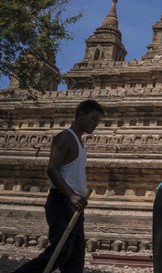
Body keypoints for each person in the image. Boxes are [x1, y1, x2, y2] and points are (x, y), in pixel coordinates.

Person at [12, 99, 104, 273]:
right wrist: (71, 194)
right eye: (93, 119)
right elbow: (52, 169)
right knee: (60, 252)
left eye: (98, 121)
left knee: (75, 261)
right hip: (62, 201)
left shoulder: (79, 142)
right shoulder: (64, 137)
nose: (96, 124)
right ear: (81, 115)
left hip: (76, 205)